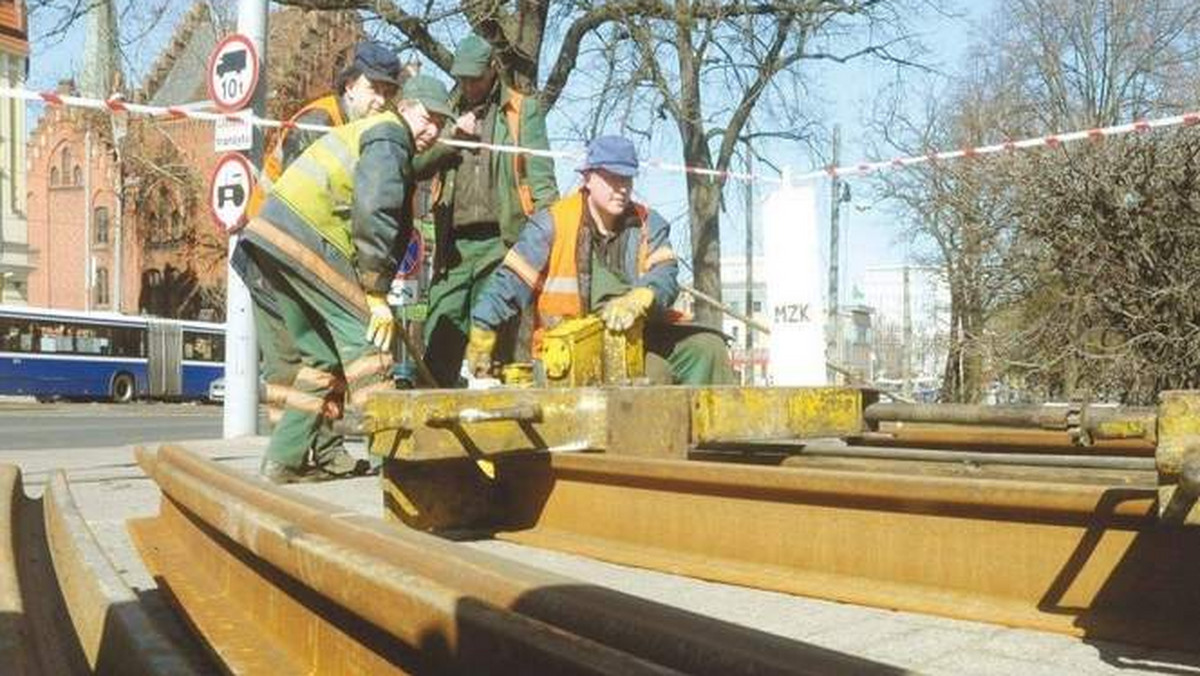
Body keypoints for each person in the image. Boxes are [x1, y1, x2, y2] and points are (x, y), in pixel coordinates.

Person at [235, 74, 454, 483]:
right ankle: (398, 464)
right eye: (427, 118)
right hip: (307, 235)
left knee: (320, 356)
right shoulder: (390, 136)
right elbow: (376, 210)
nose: (432, 130)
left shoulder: (370, 131)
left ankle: (282, 461)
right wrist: (373, 292)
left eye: (441, 124)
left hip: (272, 236)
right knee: (369, 345)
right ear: (403, 108)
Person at [465, 135, 735, 386]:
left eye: (627, 180)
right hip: (570, 349)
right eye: (611, 179)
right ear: (588, 178)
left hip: (638, 336)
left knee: (708, 347)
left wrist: (641, 296)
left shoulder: (648, 224)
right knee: (655, 374)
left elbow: (665, 272)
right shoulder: (553, 224)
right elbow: (510, 280)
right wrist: (482, 328)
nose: (621, 189)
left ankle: (715, 437)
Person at [414, 34, 559, 387]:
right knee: (440, 330)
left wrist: (548, 232)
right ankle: (436, 424)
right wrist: (452, 136)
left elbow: (541, 181)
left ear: (492, 70)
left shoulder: (523, 111)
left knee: (491, 339)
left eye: (475, 78)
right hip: (455, 248)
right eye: (462, 77)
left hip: (502, 241)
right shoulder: (443, 111)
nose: (468, 85)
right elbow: (415, 165)